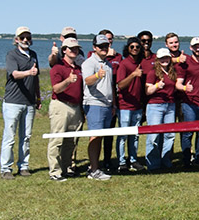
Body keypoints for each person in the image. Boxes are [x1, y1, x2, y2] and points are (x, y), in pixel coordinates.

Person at [1, 26, 40, 180]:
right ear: (16, 40)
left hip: (29, 103)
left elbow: (36, 78)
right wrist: (28, 73)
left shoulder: (34, 55)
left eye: (28, 37)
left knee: (26, 136)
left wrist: (37, 97)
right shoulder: (12, 55)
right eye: (22, 37)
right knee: (10, 136)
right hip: (13, 102)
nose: (25, 40)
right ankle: (6, 168)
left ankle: (23, 166)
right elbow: (15, 74)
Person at [48, 38, 84, 182]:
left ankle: (67, 167)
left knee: (71, 141)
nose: (74, 51)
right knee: (57, 139)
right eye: (71, 48)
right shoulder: (58, 67)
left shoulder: (78, 68)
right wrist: (68, 81)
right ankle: (55, 171)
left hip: (75, 107)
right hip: (61, 105)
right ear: (64, 50)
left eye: (76, 48)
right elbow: (56, 88)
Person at [81, 34, 115, 180]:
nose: (104, 49)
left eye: (106, 46)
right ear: (94, 48)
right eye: (100, 46)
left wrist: (113, 104)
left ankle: (95, 167)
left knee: (100, 137)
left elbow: (111, 86)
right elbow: (87, 81)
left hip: (107, 105)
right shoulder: (89, 63)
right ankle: (94, 170)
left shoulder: (109, 64)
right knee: (95, 137)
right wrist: (97, 76)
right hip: (94, 104)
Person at [175, 37, 199, 166]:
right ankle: (186, 159)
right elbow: (178, 84)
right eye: (195, 46)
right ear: (191, 48)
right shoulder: (185, 64)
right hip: (189, 103)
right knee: (188, 132)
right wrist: (185, 88)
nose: (198, 48)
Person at [115, 38, 147, 172]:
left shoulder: (141, 63)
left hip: (137, 106)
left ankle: (133, 160)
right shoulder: (124, 64)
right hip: (125, 106)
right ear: (127, 48)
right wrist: (133, 74)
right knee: (123, 135)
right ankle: (122, 162)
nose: (135, 49)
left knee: (135, 135)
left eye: (137, 47)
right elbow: (120, 85)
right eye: (132, 46)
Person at [144, 48, 178, 171]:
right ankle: (153, 164)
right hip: (155, 106)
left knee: (170, 135)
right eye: (162, 58)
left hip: (170, 105)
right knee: (154, 135)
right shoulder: (153, 73)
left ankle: (166, 160)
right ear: (157, 60)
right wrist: (157, 86)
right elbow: (147, 91)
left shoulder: (172, 72)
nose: (165, 60)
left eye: (167, 58)